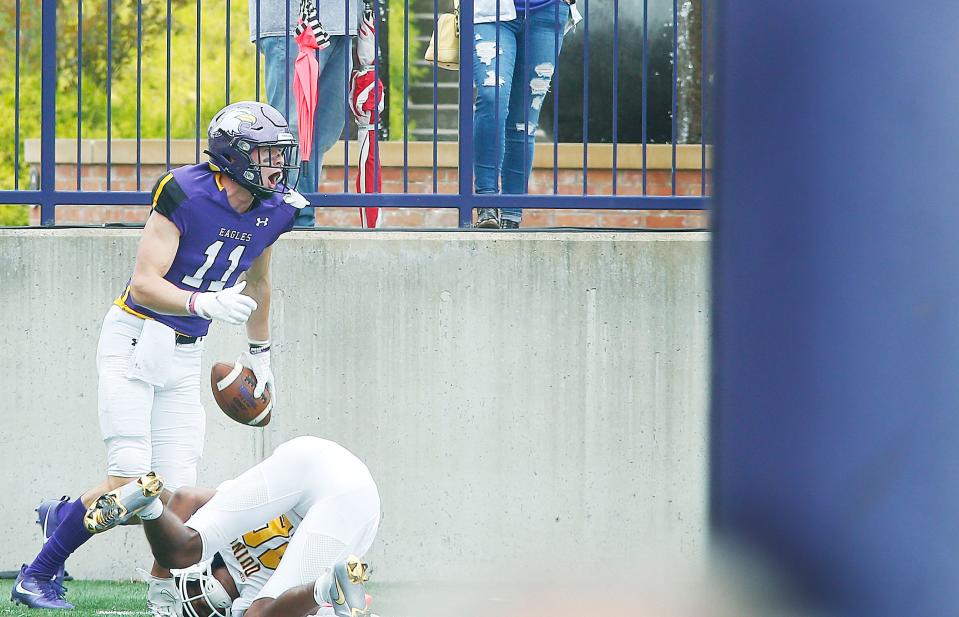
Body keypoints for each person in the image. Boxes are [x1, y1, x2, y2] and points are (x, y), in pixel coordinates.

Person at [10, 101, 307, 611]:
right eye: (265, 155)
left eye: (279, 155)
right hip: (136, 337)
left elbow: (259, 282)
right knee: (131, 483)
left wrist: (260, 356)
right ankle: (36, 574)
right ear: (233, 156)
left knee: (177, 499)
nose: (276, 166)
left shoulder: (277, 208)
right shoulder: (184, 192)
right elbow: (145, 284)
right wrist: (201, 301)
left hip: (185, 353)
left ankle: (160, 595)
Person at [90, 436, 380, 617]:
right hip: (334, 482)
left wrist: (161, 583)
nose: (205, 603)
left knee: (179, 552)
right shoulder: (250, 595)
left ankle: (147, 501)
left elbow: (185, 497)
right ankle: (150, 506)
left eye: (194, 599)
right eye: (203, 611)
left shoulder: (220, 547)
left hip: (314, 466)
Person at [250, 0, 361, 227]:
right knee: (291, 129)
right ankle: (290, 218)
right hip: (290, 23)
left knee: (323, 132)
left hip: (344, 21)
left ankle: (301, 210)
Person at [471, 0, 581, 229]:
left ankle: (512, 213)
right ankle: (486, 201)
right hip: (490, 11)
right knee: (493, 97)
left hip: (548, 12)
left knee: (524, 121)